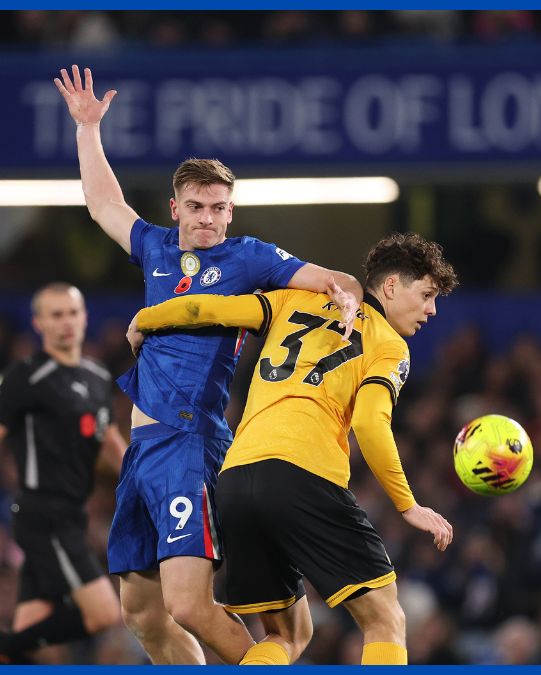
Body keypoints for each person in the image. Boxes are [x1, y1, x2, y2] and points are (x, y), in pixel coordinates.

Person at [54, 64, 365, 664]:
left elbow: (329, 278)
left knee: (190, 607)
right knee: (141, 616)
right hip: (142, 452)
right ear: (175, 208)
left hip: (189, 440)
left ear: (231, 211)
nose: (208, 218)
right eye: (196, 206)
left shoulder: (249, 259)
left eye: (219, 207)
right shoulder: (155, 249)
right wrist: (88, 129)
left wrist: (345, 291)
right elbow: (102, 204)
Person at [127, 233, 457, 665]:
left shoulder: (291, 301)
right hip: (302, 473)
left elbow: (208, 308)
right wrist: (408, 505)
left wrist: (148, 318)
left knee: (288, 632)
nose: (431, 310)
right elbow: (369, 423)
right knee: (384, 617)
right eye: (427, 294)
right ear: (391, 287)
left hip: (237, 478)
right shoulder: (390, 346)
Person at [0, 283, 126, 664]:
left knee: (28, 631)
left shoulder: (97, 377)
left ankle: (1, 652)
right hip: (44, 514)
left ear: (85, 317)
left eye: (72, 313)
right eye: (55, 315)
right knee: (106, 613)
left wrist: (141, 484)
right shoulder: (23, 377)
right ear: (38, 323)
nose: (66, 323)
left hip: (73, 515)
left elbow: (109, 440)